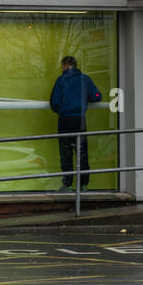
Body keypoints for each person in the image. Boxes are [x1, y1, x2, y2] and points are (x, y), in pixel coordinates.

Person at [50, 55, 102, 190]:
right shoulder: (85, 79)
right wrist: (87, 98)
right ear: (75, 65)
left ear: (65, 66)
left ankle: (67, 185)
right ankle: (83, 185)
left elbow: (54, 103)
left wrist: (62, 109)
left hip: (65, 121)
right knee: (82, 154)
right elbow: (97, 96)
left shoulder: (61, 80)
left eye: (62, 67)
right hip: (80, 120)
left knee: (66, 154)